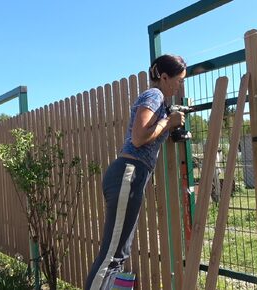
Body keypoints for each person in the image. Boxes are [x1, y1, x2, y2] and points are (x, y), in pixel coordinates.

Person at [85, 54, 187, 290]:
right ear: (164, 77)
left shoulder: (160, 101)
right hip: (128, 175)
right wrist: (168, 122)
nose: (180, 85)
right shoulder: (154, 95)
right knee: (111, 256)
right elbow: (139, 137)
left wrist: (168, 121)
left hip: (131, 177)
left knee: (120, 252)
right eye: (179, 80)